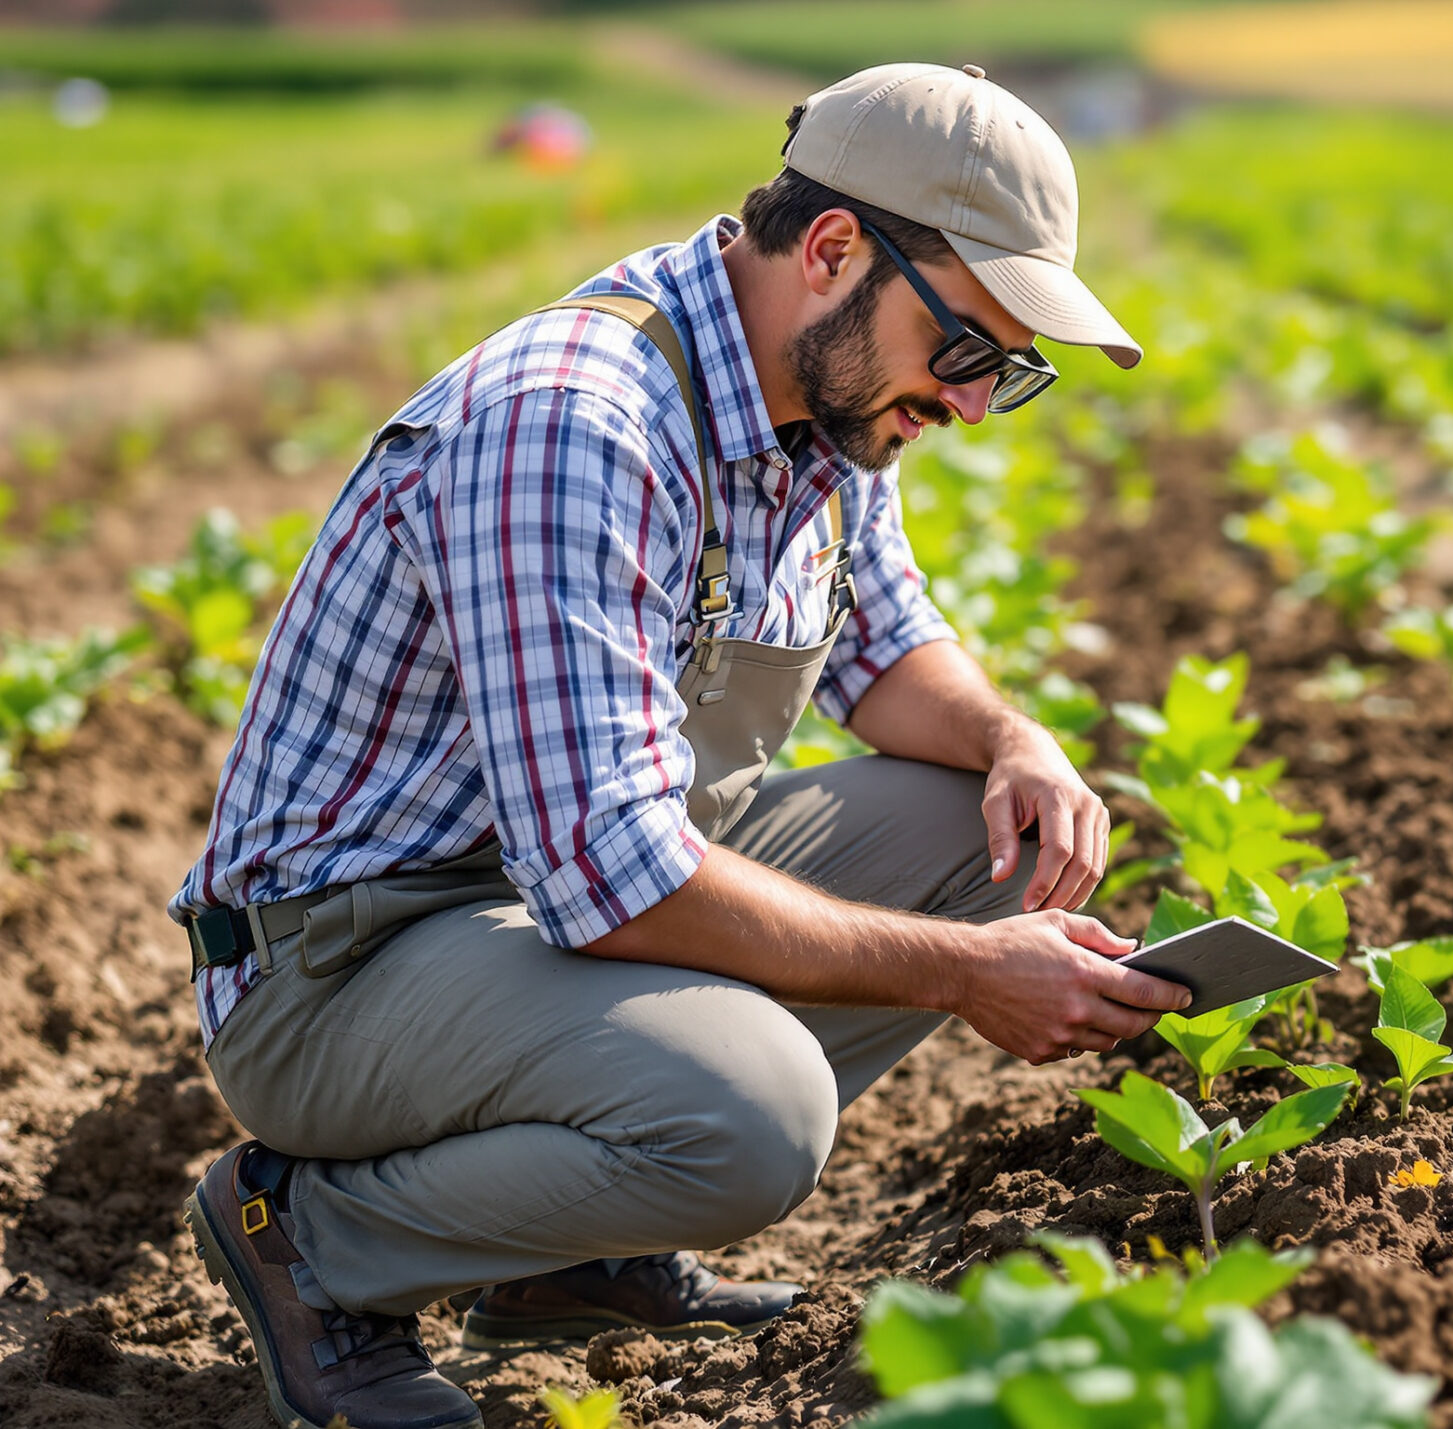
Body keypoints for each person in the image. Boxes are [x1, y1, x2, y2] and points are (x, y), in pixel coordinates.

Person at [168, 63, 1192, 1429]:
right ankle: (313, 1239)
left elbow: (888, 652)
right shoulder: (576, 423)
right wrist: (962, 975)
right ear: (833, 250)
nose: (968, 404)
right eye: (965, 351)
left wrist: (1016, 742)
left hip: (539, 909)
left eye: (1010, 371)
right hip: (342, 964)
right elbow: (617, 874)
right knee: (751, 1120)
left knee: (983, 831)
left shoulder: (820, 413)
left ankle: (565, 1258)